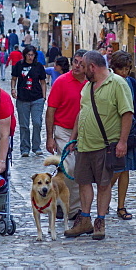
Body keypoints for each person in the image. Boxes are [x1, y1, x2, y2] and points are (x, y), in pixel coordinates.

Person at [65, 51, 133, 241]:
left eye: (84, 67)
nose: (81, 70)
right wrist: (73, 138)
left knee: (104, 184)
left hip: (105, 145)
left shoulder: (117, 84)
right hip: (84, 144)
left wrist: (122, 142)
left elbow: (127, 113)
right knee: (84, 182)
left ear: (92, 67)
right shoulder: (87, 87)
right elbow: (82, 112)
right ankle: (85, 219)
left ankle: (100, 222)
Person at [45, 50, 87, 222]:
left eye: (81, 63)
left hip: (85, 132)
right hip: (63, 130)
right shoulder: (61, 82)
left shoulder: (91, 84)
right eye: (75, 62)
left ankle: (68, 203)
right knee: (71, 167)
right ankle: (72, 208)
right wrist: (50, 137)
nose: (76, 66)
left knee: (80, 169)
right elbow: (51, 110)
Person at [108, 51, 136, 220]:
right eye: (122, 69)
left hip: (131, 130)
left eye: (127, 69)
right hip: (115, 130)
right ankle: (105, 198)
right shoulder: (110, 83)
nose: (125, 72)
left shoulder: (131, 82)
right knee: (116, 169)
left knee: (126, 169)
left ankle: (121, 205)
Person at [11, 46, 47, 158]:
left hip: (37, 98)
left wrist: (44, 96)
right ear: (25, 55)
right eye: (29, 55)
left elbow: (43, 82)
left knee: (37, 123)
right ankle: (25, 148)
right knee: (24, 125)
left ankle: (36, 147)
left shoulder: (39, 66)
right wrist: (13, 89)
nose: (30, 57)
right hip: (22, 98)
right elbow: (14, 79)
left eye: (32, 55)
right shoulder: (19, 65)